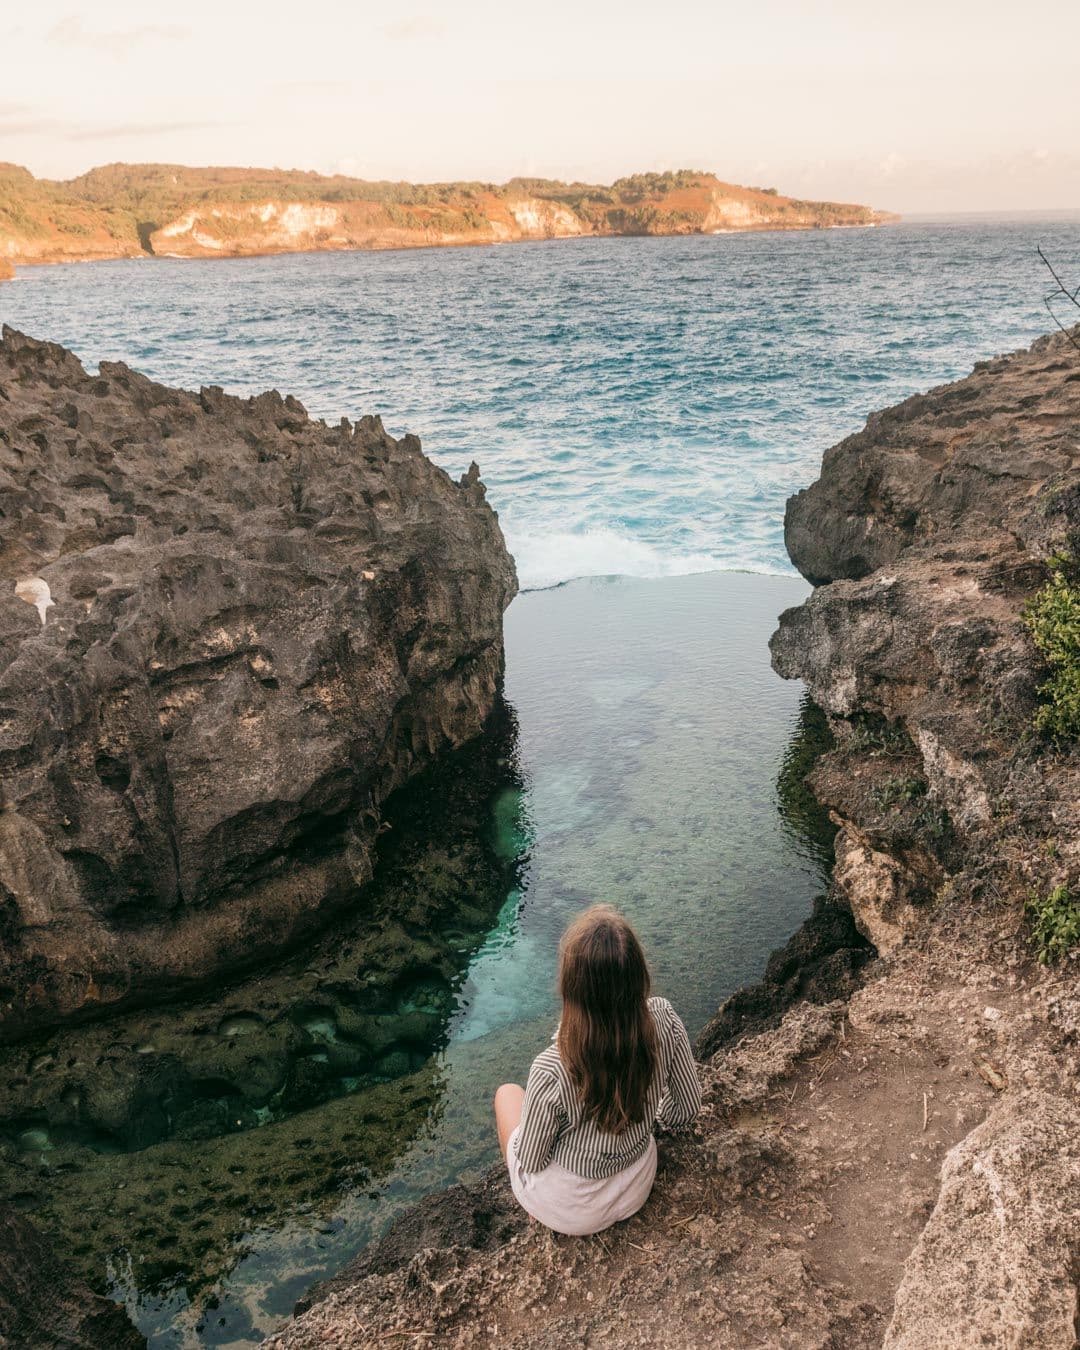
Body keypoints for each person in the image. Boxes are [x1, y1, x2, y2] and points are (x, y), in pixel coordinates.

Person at [494, 904, 701, 1236]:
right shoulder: (663, 1017)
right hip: (637, 1186)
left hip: (575, 1212)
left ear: (572, 989)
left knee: (506, 1094)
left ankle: (537, 1208)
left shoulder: (552, 1067)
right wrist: (652, 1116)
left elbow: (532, 1160)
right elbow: (687, 1109)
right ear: (639, 974)